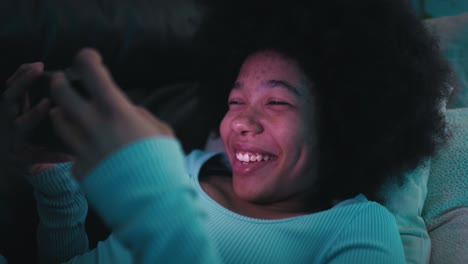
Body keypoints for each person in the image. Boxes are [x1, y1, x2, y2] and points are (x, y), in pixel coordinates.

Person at [0, 0, 451, 263]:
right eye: (235, 101)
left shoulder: (356, 227)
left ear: (342, 124)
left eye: (276, 102)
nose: (240, 121)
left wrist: (157, 207)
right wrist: (56, 191)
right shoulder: (188, 166)